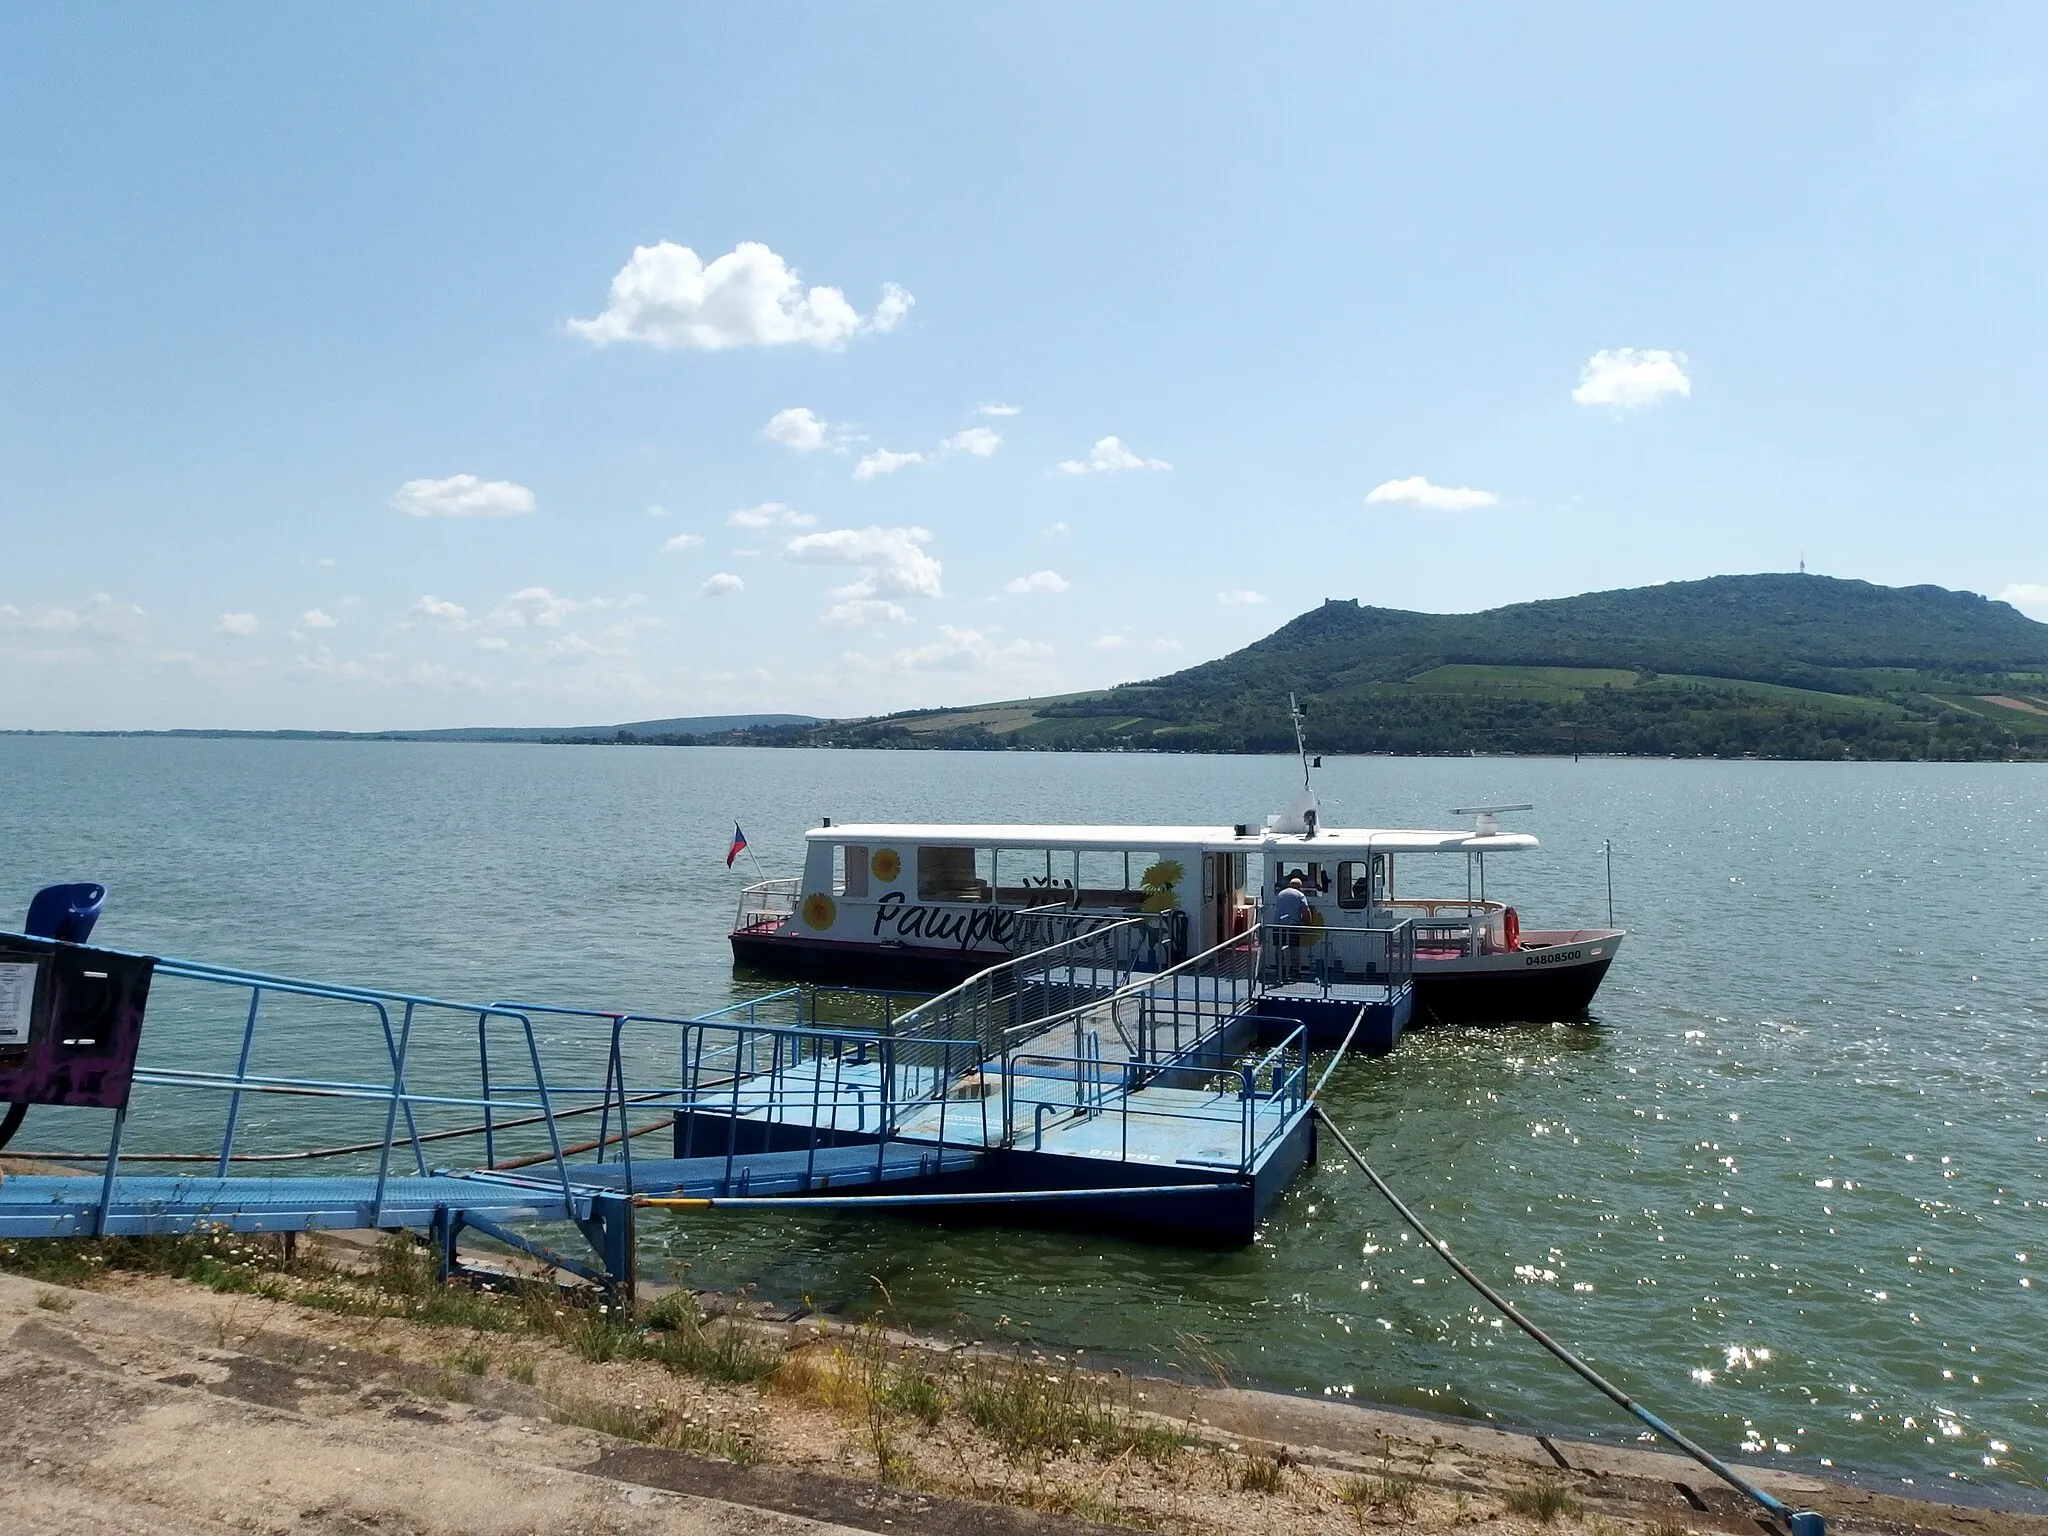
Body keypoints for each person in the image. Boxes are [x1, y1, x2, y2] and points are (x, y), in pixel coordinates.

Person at [1270, 874, 1311, 979]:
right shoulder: (1300, 895)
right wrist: (1308, 924)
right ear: (1299, 887)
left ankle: (1280, 970)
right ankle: (1295, 971)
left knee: (1279, 948)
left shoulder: (1280, 894)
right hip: (1292, 925)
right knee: (1294, 948)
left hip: (1277, 925)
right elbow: (1305, 911)